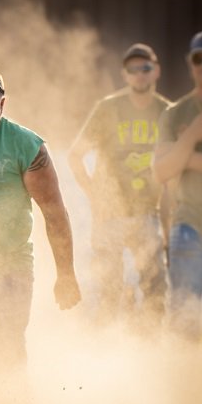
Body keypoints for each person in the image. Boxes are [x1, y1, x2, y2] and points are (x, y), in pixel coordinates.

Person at [0, 66, 81, 379]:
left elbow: (55, 213)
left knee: (6, 344)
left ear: (2, 106)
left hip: (9, 265)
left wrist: (66, 274)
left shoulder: (26, 147)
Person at [68, 43, 171, 326]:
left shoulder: (167, 112)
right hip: (109, 215)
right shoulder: (108, 109)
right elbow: (75, 155)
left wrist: (169, 222)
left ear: (156, 71)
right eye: (133, 70)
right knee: (108, 290)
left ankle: (150, 348)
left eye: (145, 68)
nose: (140, 74)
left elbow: (176, 171)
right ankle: (107, 353)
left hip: (147, 213)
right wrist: (93, 195)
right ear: (125, 75)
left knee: (155, 289)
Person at [152, 30, 202, 341]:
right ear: (190, 63)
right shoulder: (176, 113)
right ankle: (182, 385)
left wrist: (185, 156)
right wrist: (191, 136)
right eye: (198, 58)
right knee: (182, 319)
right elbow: (161, 171)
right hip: (190, 227)